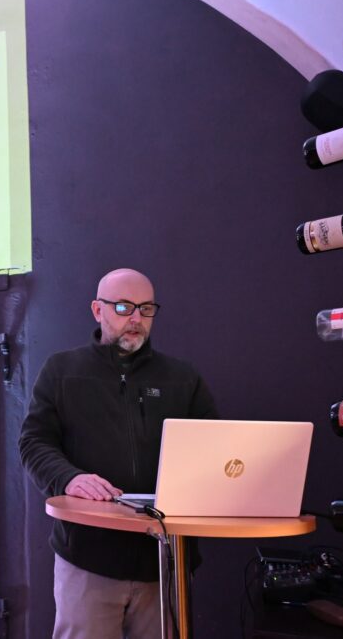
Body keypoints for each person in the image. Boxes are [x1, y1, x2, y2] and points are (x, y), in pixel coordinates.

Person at [20, 268, 217, 639]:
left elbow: (215, 448)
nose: (136, 318)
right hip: (88, 558)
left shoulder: (182, 378)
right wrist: (69, 478)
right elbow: (34, 442)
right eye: (124, 307)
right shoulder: (62, 371)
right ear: (98, 310)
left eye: (146, 309)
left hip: (165, 561)